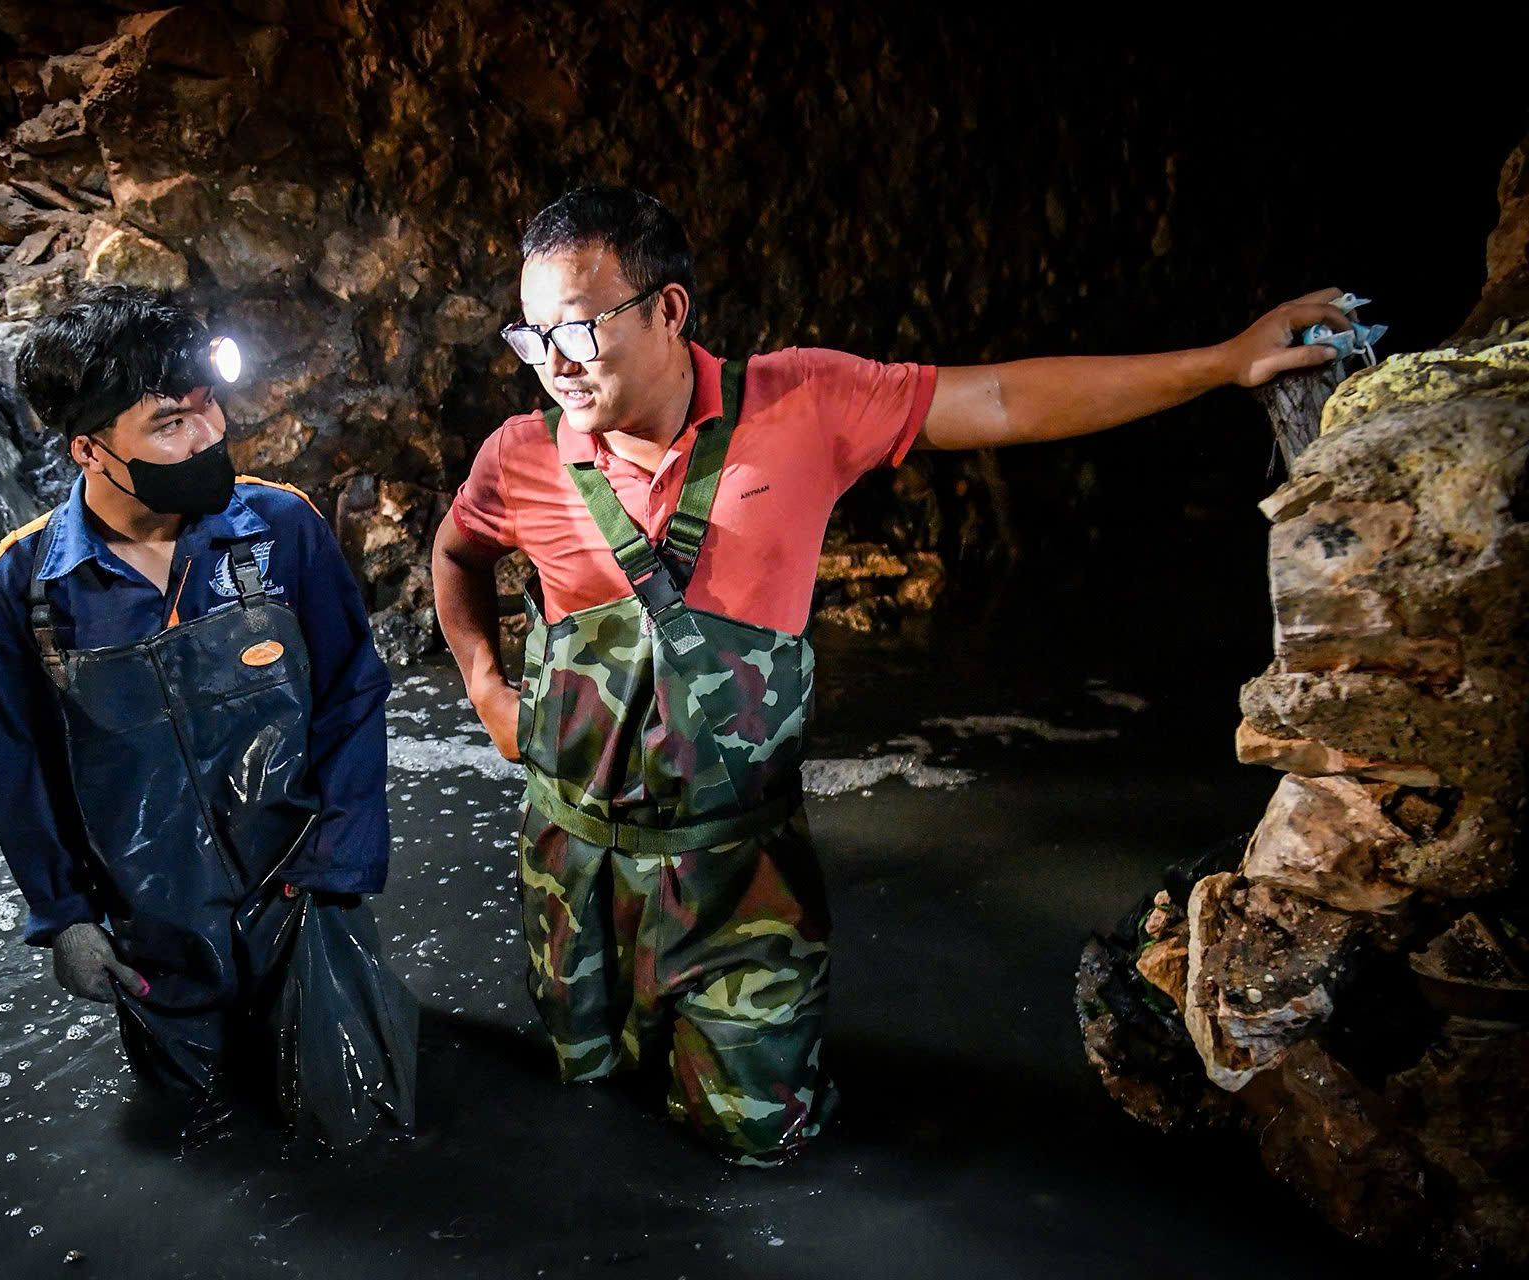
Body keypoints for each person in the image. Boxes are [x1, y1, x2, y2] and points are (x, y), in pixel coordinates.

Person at [431, 184, 1348, 1166]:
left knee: (758, 1142)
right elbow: (455, 554)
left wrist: (1223, 361)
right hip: (573, 873)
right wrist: (487, 688)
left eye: (577, 327)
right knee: (588, 1116)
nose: (555, 362)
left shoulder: (804, 401)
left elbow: (999, 400)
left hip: (741, 879)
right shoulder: (520, 457)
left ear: (668, 309)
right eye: (533, 336)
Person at [0, 284, 397, 1110]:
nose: (208, 436)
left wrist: (335, 868)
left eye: (208, 407)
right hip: (154, 939)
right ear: (89, 450)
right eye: (170, 424)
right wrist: (65, 918)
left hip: (303, 894)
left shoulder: (282, 528)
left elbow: (352, 693)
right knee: (196, 1128)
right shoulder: (23, 589)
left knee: (352, 1112)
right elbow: (20, 770)